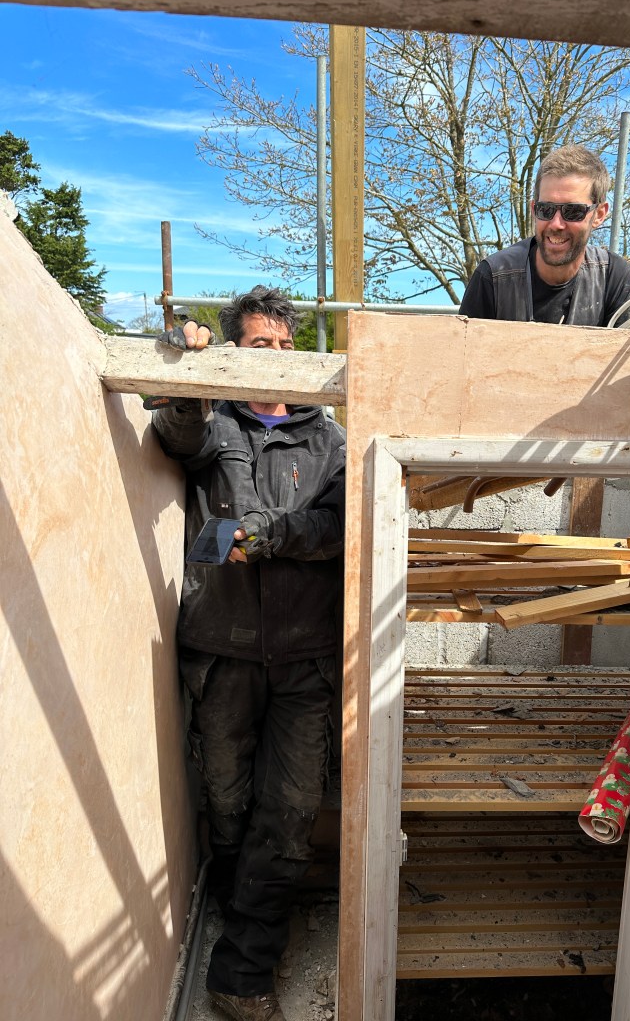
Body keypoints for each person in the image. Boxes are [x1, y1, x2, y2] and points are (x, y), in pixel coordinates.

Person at [152, 286, 345, 1021]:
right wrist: (192, 374)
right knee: (226, 800)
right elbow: (175, 434)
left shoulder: (328, 437)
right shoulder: (217, 424)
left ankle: (241, 971)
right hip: (222, 649)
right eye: (259, 346)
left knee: (291, 806)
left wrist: (273, 534)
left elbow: (336, 521)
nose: (277, 359)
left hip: (305, 657)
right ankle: (241, 911)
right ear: (235, 350)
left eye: (286, 347)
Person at [459, 144, 630, 326]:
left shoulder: (613, 277)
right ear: (534, 210)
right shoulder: (492, 277)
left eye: (573, 211)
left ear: (599, 215)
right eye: (546, 209)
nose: (556, 223)